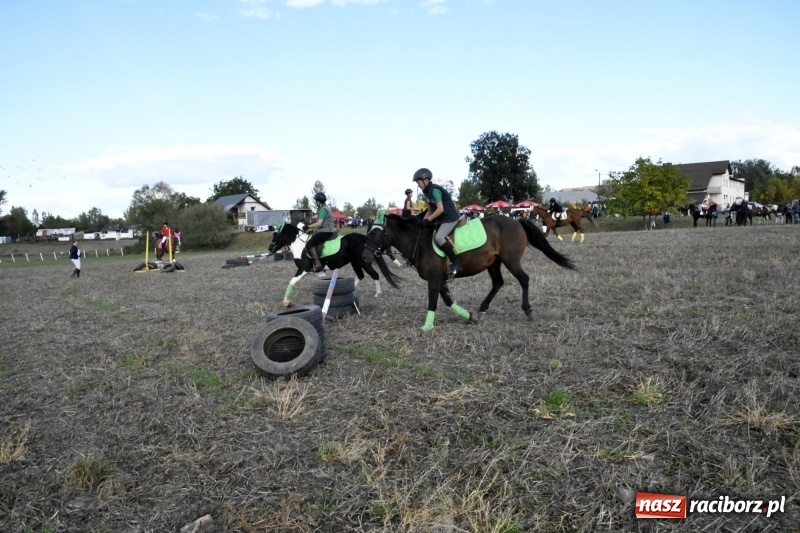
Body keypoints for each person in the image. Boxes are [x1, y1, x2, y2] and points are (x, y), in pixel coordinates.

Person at [413, 167, 462, 276]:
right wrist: (423, 221)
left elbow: (440, 209)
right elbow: (431, 209)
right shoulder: (428, 192)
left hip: (450, 218)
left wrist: (429, 219)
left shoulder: (435, 190)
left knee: (439, 237)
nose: (418, 185)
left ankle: (456, 263)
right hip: (442, 219)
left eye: (418, 182)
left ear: (425, 180)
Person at [305, 192, 334, 272]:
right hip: (327, 230)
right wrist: (311, 229)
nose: (316, 202)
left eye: (316, 201)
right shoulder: (325, 208)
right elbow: (322, 224)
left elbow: (319, 223)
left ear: (318, 201)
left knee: (309, 243)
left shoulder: (323, 210)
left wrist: (308, 226)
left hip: (326, 231)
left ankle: (318, 264)